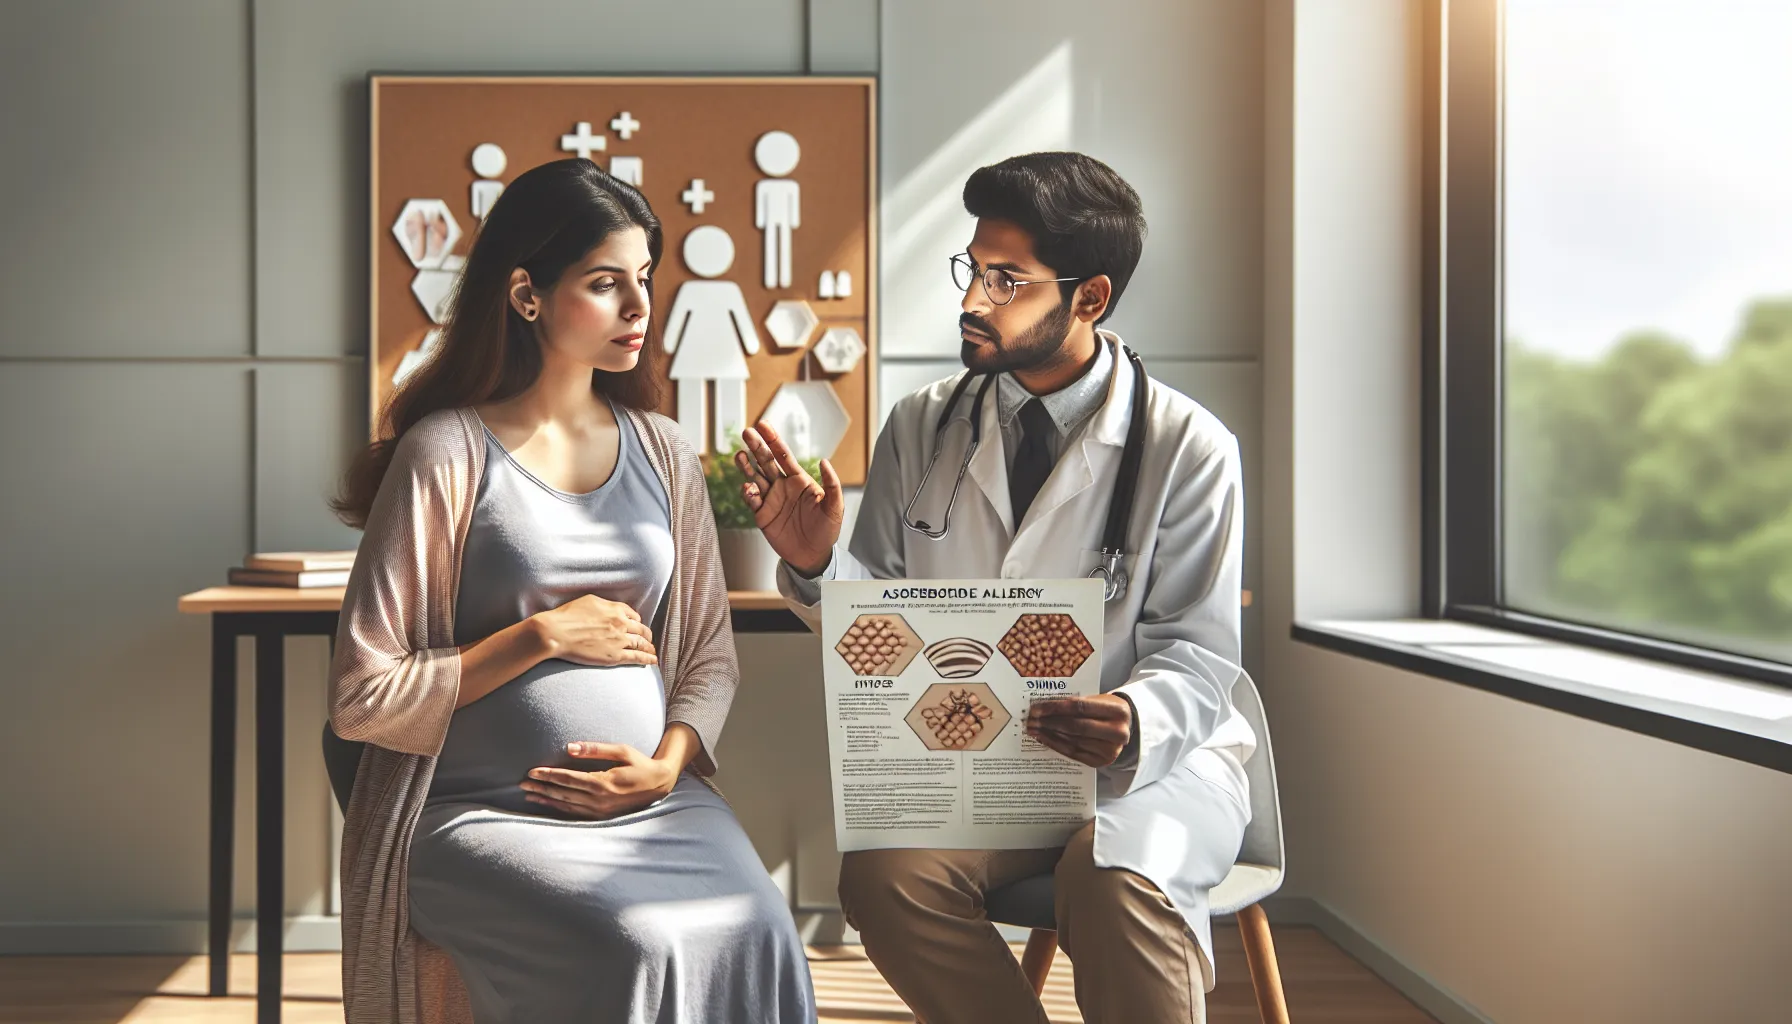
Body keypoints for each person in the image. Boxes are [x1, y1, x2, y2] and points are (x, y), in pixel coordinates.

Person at [735, 151, 1255, 1024]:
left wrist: (1133, 717)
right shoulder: (922, 424)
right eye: (972, 270)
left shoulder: (1189, 448)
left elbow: (1200, 654)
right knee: (883, 875)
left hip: (1147, 776)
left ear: (1089, 297)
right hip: (978, 767)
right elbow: (881, 627)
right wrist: (820, 564)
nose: (973, 302)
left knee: (1115, 877)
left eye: (1007, 280)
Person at [327, 159, 815, 1024]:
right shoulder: (445, 453)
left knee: (765, 925)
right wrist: (542, 637)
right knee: (633, 939)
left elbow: (707, 656)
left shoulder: (663, 449)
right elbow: (363, 698)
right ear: (526, 294)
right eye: (604, 284)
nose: (639, 308)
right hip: (482, 817)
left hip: (660, 806)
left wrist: (663, 770)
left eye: (644, 282)